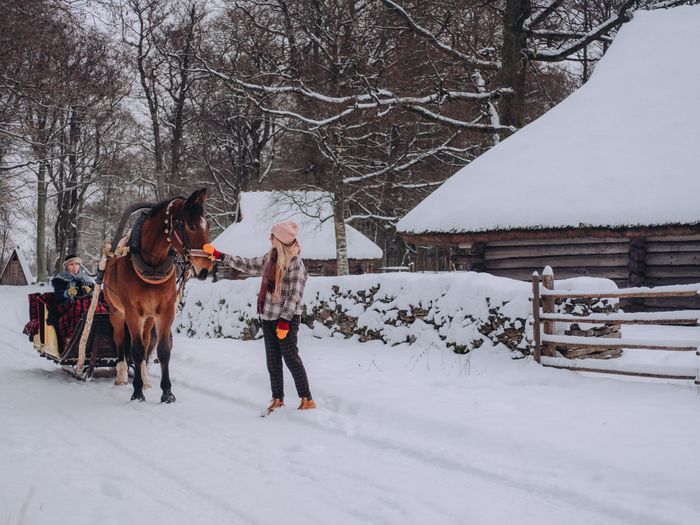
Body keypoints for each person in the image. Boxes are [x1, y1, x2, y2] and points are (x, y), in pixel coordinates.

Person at [204, 221, 315, 415]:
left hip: (285, 320)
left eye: (272, 235)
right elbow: (247, 264)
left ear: (280, 239)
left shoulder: (296, 263)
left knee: (291, 358)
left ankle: (307, 399)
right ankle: (278, 398)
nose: (269, 238)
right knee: (272, 360)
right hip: (268, 316)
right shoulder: (270, 258)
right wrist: (220, 256)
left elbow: (295, 294)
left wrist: (284, 320)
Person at [51, 254, 101, 342]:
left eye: (77, 264)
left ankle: (99, 335)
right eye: (72, 264)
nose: (75, 267)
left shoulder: (85, 279)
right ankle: (73, 338)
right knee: (79, 308)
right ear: (67, 266)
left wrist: (90, 291)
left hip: (85, 303)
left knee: (100, 308)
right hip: (66, 305)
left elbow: (95, 293)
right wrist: (67, 292)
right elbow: (57, 295)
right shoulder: (59, 279)